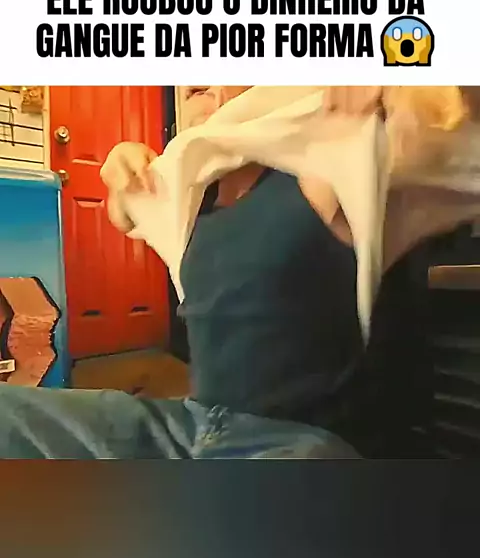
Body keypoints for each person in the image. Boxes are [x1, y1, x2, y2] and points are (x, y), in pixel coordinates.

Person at [0, 86, 474, 459]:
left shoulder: (335, 165)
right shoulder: (188, 194)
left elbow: (460, 128)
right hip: (191, 429)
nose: (195, 83)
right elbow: (122, 211)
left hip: (297, 446)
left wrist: (399, 77)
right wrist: (119, 162)